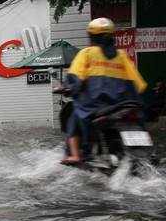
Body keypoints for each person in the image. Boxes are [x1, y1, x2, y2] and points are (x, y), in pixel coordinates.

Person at [56, 17, 147, 164]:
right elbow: (138, 84)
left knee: (73, 115)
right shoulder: (121, 55)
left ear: (91, 36)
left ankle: (75, 155)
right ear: (112, 36)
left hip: (93, 105)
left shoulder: (86, 53)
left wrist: (68, 87)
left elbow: (75, 78)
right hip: (120, 105)